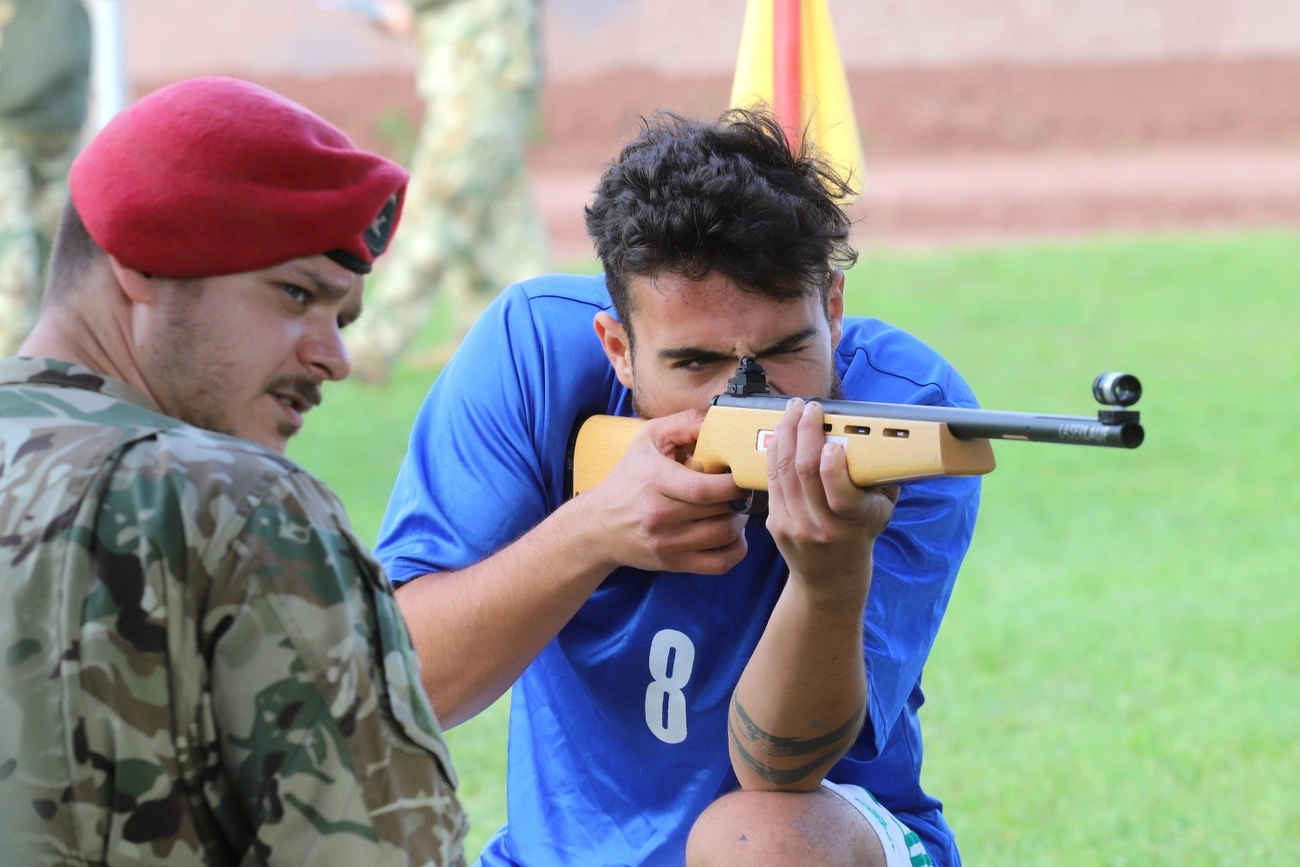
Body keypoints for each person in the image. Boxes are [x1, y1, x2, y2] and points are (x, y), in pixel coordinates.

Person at [377, 108, 981, 867]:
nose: (745, 398)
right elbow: (404, 688)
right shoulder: (532, 357)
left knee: (756, 841)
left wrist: (828, 582)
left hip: (818, 834)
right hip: (554, 852)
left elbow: (780, 771)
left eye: (785, 351)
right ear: (619, 349)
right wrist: (590, 533)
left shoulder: (906, 415)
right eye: (696, 363)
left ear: (832, 306)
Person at [0, 76, 468, 865]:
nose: (336, 358)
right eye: (294, 295)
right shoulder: (239, 507)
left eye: (343, 318)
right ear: (144, 257)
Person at [342, 0, 549, 383]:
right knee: (500, 221)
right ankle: (502, 342)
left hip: (477, 72)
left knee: (438, 204)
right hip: (493, 67)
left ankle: (373, 346)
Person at [0, 0, 91, 355]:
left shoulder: (57, 10)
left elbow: (64, 55)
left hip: (49, 136)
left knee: (52, 265)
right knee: (17, 267)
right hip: (15, 136)